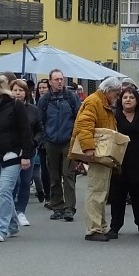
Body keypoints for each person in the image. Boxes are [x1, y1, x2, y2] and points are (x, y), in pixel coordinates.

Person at [0, 75, 33, 242]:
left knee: (4, 190)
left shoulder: (15, 105)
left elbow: (26, 131)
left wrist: (26, 155)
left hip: (13, 153)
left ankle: (0, 228)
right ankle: (12, 224)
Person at [70, 76, 123, 241]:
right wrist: (88, 148)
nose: (118, 97)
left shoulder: (99, 101)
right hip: (97, 153)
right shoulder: (94, 102)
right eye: (117, 93)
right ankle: (93, 229)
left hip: (101, 153)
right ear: (108, 91)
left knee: (101, 191)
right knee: (97, 191)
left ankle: (99, 227)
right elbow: (84, 125)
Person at [108, 87, 139, 237]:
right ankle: (115, 226)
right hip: (120, 163)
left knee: (138, 196)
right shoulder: (114, 118)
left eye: (131, 97)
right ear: (120, 101)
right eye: (125, 97)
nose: (128, 100)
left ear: (137, 101)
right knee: (118, 197)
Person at [38, 69, 82, 222]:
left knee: (68, 175)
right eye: (56, 79)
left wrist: (75, 138)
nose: (59, 81)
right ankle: (57, 206)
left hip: (68, 142)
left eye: (61, 79)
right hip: (51, 142)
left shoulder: (72, 97)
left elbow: (79, 118)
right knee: (54, 176)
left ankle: (69, 208)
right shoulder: (44, 100)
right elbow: (40, 121)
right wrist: (45, 138)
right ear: (50, 82)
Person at [9, 78, 43, 228]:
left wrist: (33, 142)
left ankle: (20, 211)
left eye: (21, 90)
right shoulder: (6, 109)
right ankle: (10, 212)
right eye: (15, 90)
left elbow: (40, 130)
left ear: (26, 93)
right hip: (11, 151)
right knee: (12, 183)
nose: (18, 93)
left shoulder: (33, 110)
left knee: (24, 181)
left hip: (29, 150)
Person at [35, 79, 51, 201]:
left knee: (51, 168)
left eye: (44, 87)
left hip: (51, 138)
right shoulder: (36, 102)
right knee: (43, 169)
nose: (42, 90)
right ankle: (47, 194)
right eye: (40, 88)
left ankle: (52, 193)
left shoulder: (51, 102)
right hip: (40, 140)